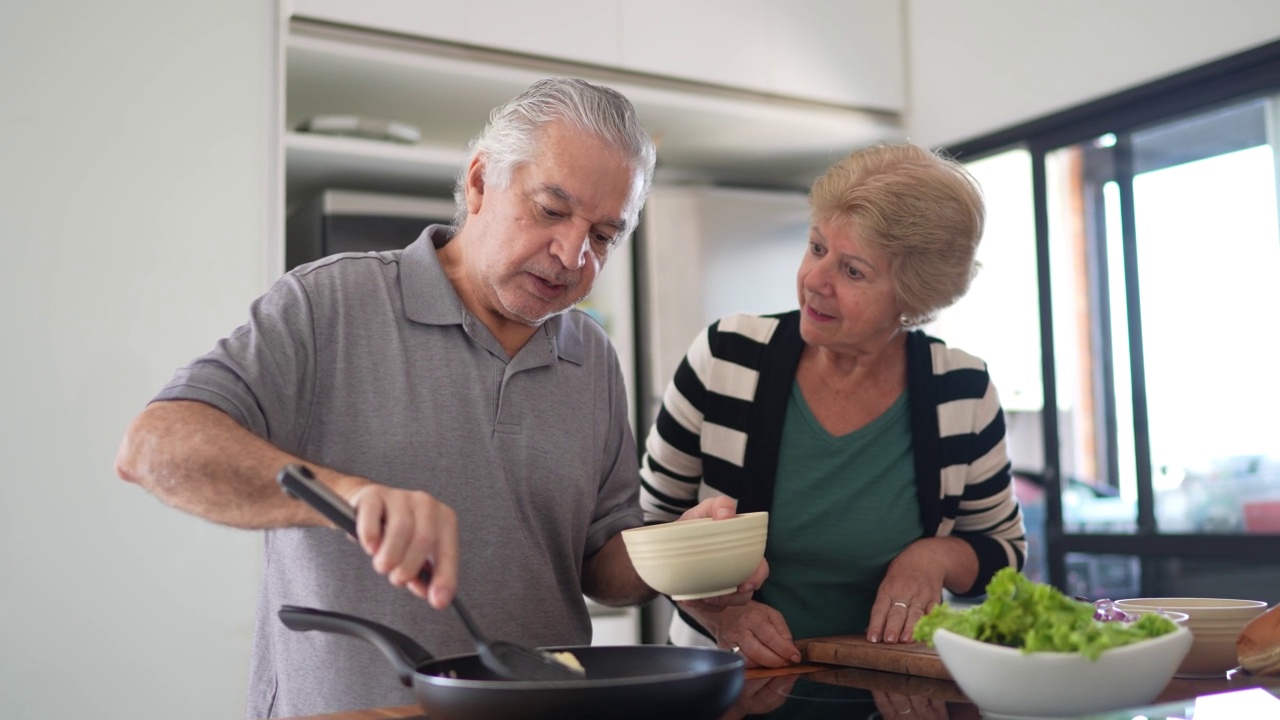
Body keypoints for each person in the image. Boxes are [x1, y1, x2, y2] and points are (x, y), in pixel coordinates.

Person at [115, 78, 762, 719]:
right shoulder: (329, 304)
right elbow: (153, 445)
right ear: (480, 183)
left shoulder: (591, 358)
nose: (572, 255)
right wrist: (349, 497)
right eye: (551, 210)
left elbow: (600, 564)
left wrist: (676, 555)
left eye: (603, 235)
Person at [639, 142, 1028, 668]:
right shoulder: (726, 356)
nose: (815, 282)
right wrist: (720, 618)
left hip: (891, 692)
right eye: (817, 248)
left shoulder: (961, 387)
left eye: (853, 271)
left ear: (911, 297)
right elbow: (648, 529)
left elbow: (1003, 551)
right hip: (728, 688)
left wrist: (933, 557)